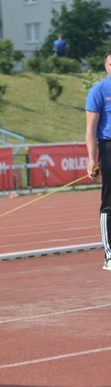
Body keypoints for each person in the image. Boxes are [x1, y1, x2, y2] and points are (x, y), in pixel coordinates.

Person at [84, 50, 111, 271]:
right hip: (108, 146)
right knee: (110, 202)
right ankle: (110, 254)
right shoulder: (98, 91)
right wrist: (92, 159)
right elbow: (91, 128)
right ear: (106, 66)